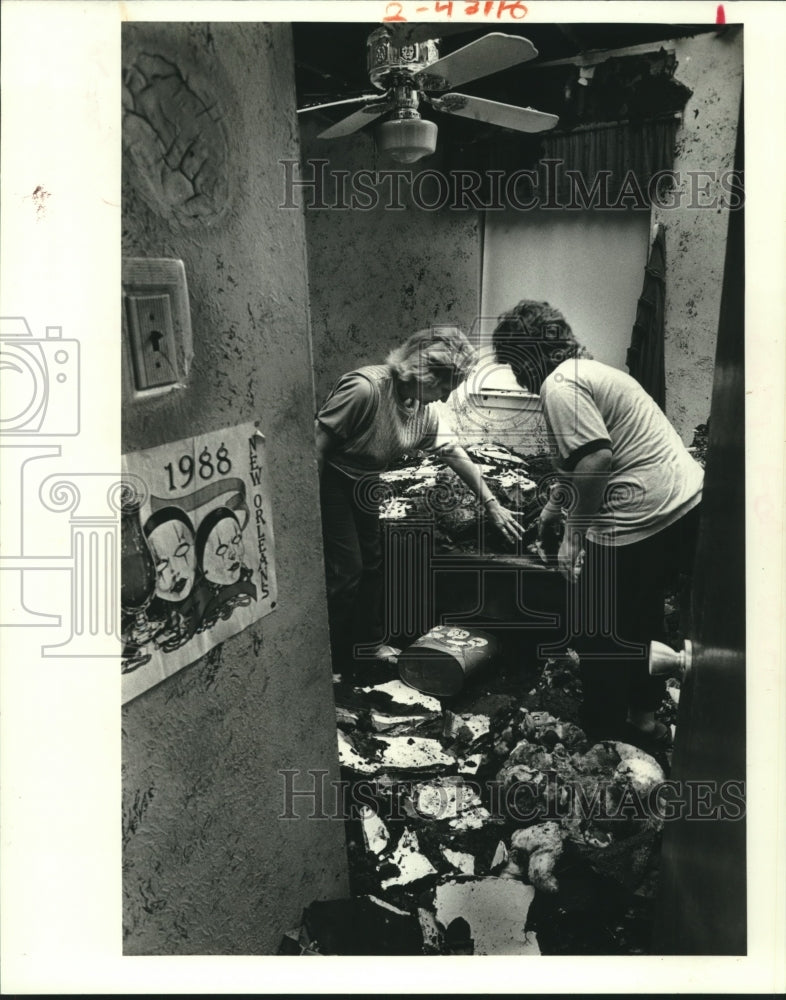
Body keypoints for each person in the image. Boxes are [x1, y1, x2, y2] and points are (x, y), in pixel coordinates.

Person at [492, 300, 703, 748]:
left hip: (644, 512)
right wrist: (554, 507)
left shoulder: (559, 385)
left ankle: (604, 737)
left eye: (513, 364)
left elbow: (595, 459)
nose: (515, 377)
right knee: (639, 618)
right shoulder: (586, 373)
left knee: (596, 631)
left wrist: (574, 536)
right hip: (680, 504)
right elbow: (580, 461)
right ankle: (644, 722)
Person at [315, 325, 525, 675]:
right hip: (333, 479)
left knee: (371, 565)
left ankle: (367, 646)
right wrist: (310, 508)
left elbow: (453, 453)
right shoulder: (364, 389)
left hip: (365, 481)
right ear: (424, 372)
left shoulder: (419, 408)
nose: (444, 397)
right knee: (346, 572)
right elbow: (316, 447)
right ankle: (326, 662)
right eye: (444, 387)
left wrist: (492, 504)